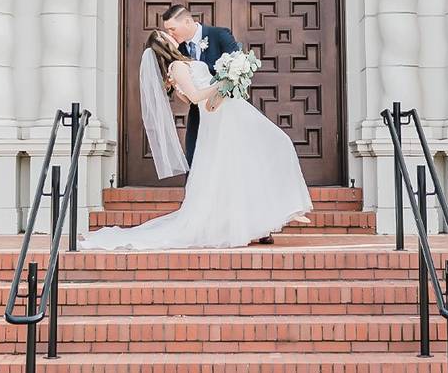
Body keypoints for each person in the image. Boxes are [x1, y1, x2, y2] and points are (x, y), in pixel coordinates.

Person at [80, 30, 312, 251]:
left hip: (226, 112)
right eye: (165, 35)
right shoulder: (178, 66)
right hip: (222, 116)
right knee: (277, 143)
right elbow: (194, 97)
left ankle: (268, 214)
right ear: (163, 45)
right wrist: (224, 81)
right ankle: (283, 207)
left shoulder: (179, 65)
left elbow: (188, 96)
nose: (171, 35)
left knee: (246, 162)